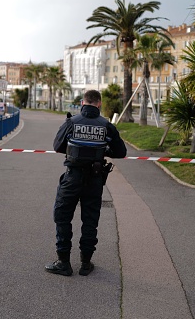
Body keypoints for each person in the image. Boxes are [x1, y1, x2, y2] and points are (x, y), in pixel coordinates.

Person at [45, 89, 127, 276]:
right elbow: (121, 152)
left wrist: (76, 149)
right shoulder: (106, 126)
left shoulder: (71, 122)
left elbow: (57, 147)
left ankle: (63, 263)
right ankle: (85, 263)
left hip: (72, 177)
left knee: (63, 216)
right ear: (99, 104)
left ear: (83, 103)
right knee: (90, 220)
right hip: (95, 179)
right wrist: (101, 151)